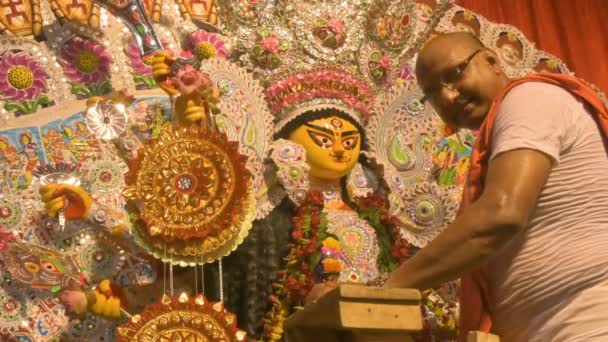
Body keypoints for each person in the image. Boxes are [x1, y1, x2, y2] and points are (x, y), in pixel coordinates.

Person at [383, 31, 608, 341]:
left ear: (491, 60)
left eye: (454, 75)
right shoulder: (500, 131)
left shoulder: (528, 97)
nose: (448, 96)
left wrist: (390, 289)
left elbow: (501, 213)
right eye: (433, 92)